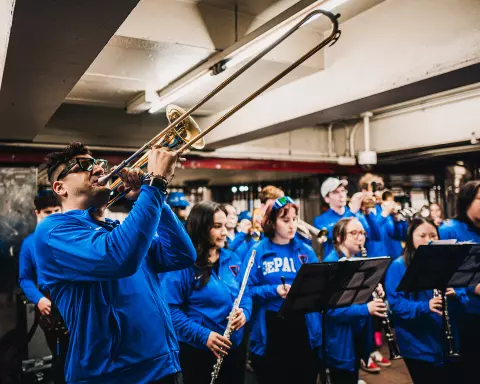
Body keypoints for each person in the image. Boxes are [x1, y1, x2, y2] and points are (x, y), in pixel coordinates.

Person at [34, 142, 197, 384]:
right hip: (113, 375)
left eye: (99, 164)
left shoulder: (114, 229)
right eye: (85, 165)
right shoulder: (53, 231)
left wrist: (154, 197)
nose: (99, 169)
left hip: (162, 364)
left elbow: (180, 254)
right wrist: (156, 184)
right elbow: (118, 258)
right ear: (60, 187)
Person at [164, 202, 251, 384]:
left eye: (225, 226)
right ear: (201, 228)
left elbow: (246, 295)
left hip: (234, 349)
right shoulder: (184, 264)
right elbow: (170, 311)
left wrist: (245, 312)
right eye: (217, 227)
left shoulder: (232, 258)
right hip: (198, 352)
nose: (225, 232)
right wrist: (204, 335)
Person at [246, 196, 321, 384]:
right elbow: (246, 292)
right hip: (272, 324)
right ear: (272, 222)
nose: (292, 225)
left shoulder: (305, 251)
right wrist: (274, 290)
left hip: (302, 323)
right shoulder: (258, 251)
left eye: (295, 219)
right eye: (285, 220)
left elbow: (319, 288)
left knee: (304, 376)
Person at [385, 216, 467, 384]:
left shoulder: (447, 262)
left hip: (446, 341)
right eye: (422, 236)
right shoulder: (399, 266)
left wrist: (455, 294)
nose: (429, 240)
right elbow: (396, 304)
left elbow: (464, 295)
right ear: (410, 239)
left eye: (433, 235)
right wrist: (426, 306)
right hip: (418, 344)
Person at [322, 217, 387, 384]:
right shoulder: (332, 265)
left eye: (362, 233)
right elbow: (331, 311)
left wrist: (372, 288)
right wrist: (367, 309)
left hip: (356, 335)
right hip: (340, 341)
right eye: (354, 233)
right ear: (338, 237)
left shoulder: (358, 262)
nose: (360, 237)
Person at [18, 190, 66, 383]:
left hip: (74, 301)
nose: (53, 215)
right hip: (50, 305)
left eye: (57, 210)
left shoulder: (70, 238)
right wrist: (38, 299)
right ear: (37, 213)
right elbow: (25, 279)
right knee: (60, 357)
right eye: (48, 212)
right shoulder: (29, 244)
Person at [438, 180, 480, 381]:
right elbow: (440, 271)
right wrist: (473, 287)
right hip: (464, 311)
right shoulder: (449, 229)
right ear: (467, 201)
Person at [313, 177, 382, 257]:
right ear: (327, 199)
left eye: (343, 191)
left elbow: (376, 236)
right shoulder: (320, 220)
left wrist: (368, 214)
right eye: (336, 192)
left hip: (356, 263)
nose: (341, 195)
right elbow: (334, 234)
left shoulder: (358, 216)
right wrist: (352, 212)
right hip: (335, 265)